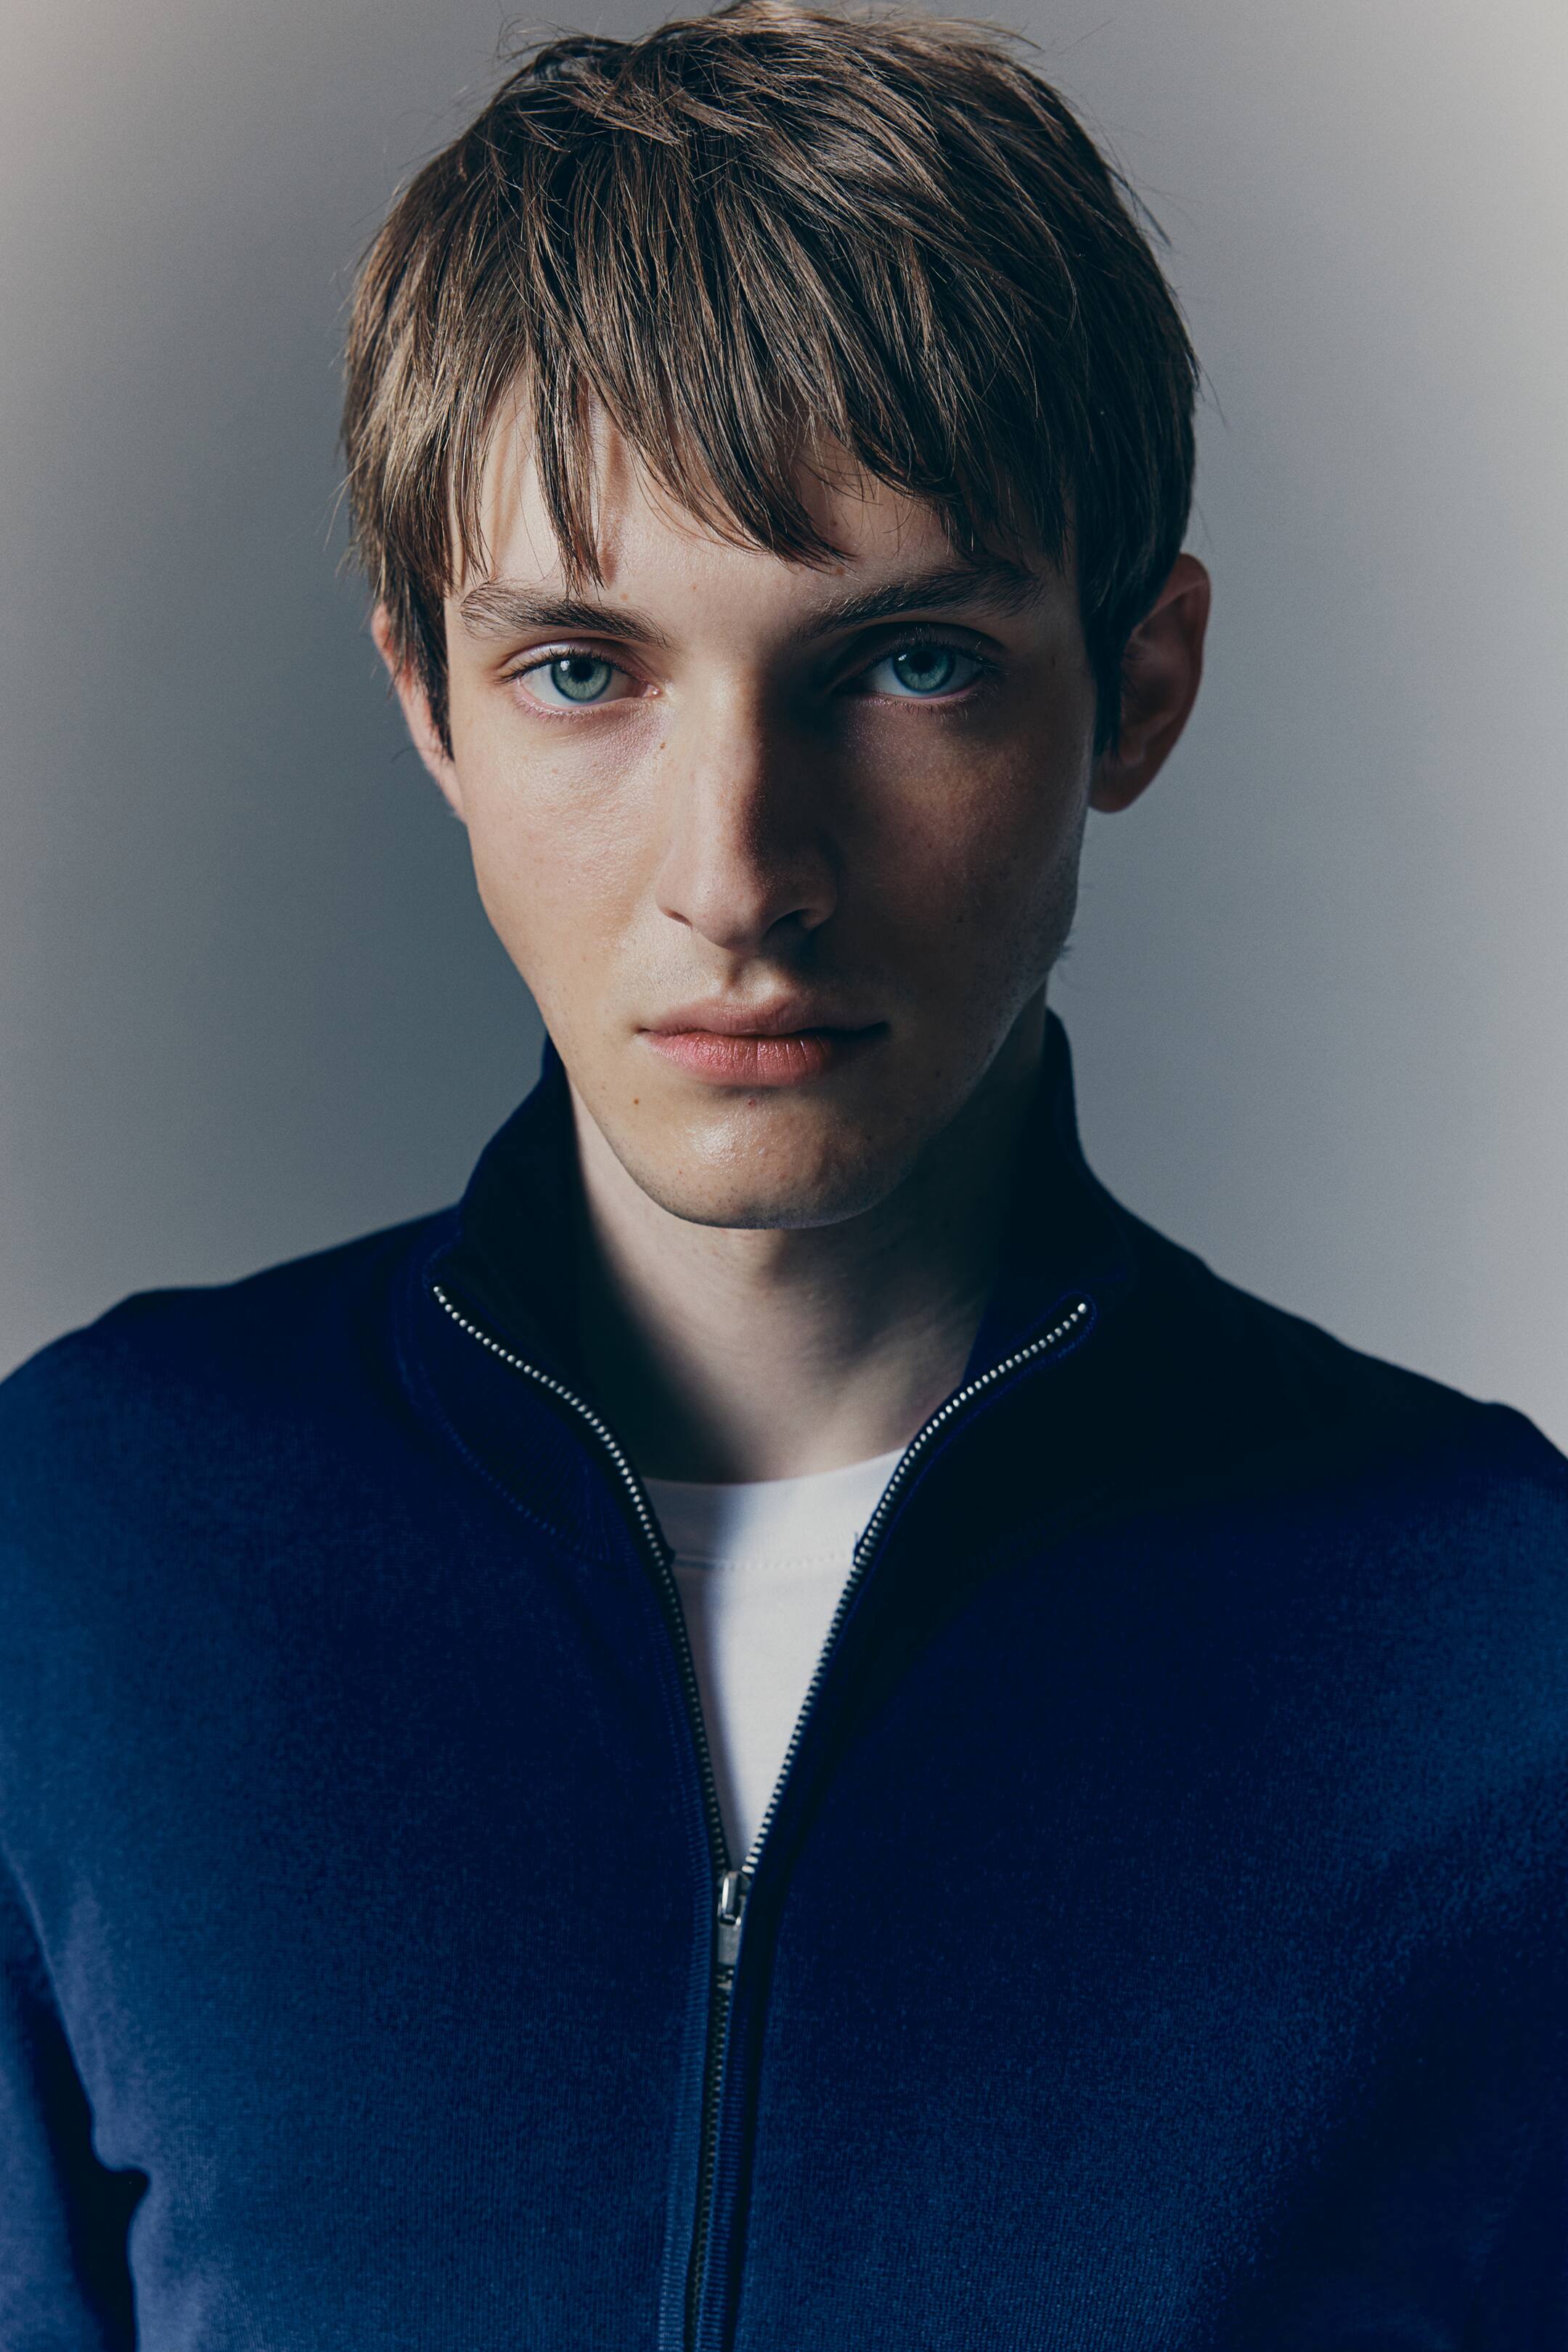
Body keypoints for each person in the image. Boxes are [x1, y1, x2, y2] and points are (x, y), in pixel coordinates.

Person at [2, 3, 1565, 2342]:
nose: (738, 873)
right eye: (582, 670)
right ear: (427, 701)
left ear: (1140, 686)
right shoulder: (83, 1555)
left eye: (909, 661)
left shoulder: (1502, 1653)